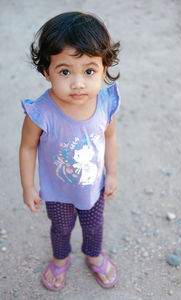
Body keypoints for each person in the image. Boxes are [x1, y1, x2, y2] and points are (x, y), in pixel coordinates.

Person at [19, 11, 120, 291]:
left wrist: (111, 173)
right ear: (46, 72)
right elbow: (27, 147)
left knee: (94, 225)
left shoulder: (104, 105)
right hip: (57, 192)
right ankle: (60, 259)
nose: (78, 83)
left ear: (103, 68)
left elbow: (110, 138)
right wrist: (28, 187)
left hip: (93, 187)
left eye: (89, 71)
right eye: (65, 71)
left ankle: (94, 254)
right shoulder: (40, 113)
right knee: (61, 228)